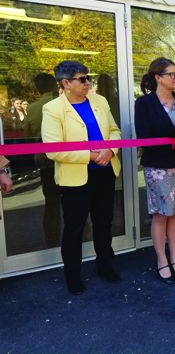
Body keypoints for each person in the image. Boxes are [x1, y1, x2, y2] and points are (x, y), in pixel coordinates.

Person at [41, 61, 122, 295]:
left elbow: (114, 131)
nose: (88, 83)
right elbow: (53, 149)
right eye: (82, 79)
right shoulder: (53, 109)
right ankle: (72, 275)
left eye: (89, 78)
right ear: (65, 83)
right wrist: (89, 155)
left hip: (105, 173)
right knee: (75, 228)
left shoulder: (100, 101)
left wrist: (110, 150)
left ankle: (105, 265)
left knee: (104, 223)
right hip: (76, 179)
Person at [134, 57, 175, 284]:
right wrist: (174, 142)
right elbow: (144, 137)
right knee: (161, 214)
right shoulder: (144, 104)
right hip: (157, 167)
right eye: (172, 74)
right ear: (158, 78)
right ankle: (162, 260)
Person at [25, 73, 61, 248]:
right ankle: (83, 237)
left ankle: (52, 241)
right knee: (75, 201)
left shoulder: (32, 108)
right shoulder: (67, 102)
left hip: (45, 160)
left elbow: (28, 136)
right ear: (56, 85)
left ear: (38, 89)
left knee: (52, 202)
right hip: (71, 160)